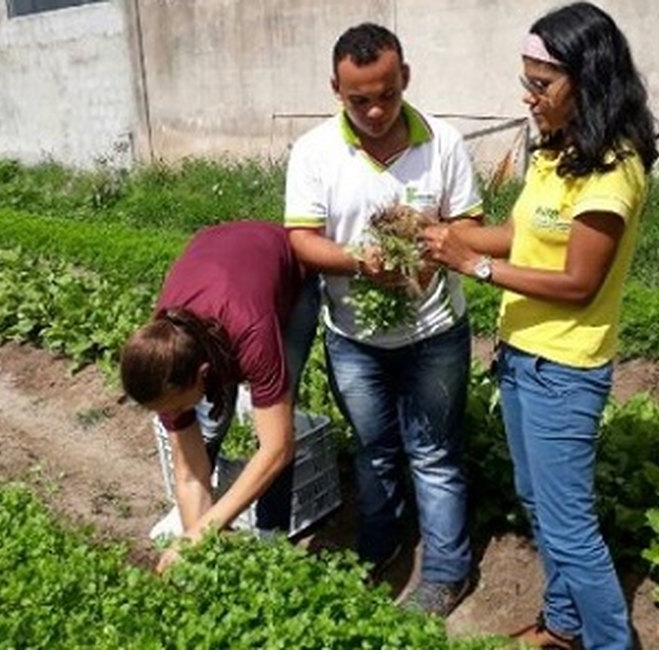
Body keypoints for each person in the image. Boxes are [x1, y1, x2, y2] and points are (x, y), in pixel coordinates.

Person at [422, 3, 659, 647]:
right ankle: (562, 625)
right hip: (522, 357)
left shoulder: (615, 168)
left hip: (565, 369)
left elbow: (579, 285)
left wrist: (473, 264)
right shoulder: (560, 151)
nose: (527, 96)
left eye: (541, 83)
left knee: (569, 526)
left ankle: (611, 641)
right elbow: (526, 238)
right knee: (539, 505)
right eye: (525, 80)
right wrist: (450, 234)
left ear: (588, 79)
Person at [284, 22, 483, 616]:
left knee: (434, 453)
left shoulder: (442, 144)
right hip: (354, 337)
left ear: (406, 79)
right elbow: (301, 240)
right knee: (373, 450)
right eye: (358, 99)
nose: (375, 109)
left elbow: (470, 224)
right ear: (335, 90)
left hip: (434, 332)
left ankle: (448, 572)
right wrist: (356, 263)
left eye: (387, 94)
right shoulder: (314, 151)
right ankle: (379, 546)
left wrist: (433, 244)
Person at [120, 220, 318, 572]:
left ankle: (270, 538)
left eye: (180, 406)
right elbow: (189, 473)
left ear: (203, 375)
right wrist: (197, 545)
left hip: (283, 271)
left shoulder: (253, 332)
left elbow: (278, 448)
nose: (178, 414)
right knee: (206, 436)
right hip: (218, 260)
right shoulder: (164, 350)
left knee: (274, 421)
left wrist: (202, 532)